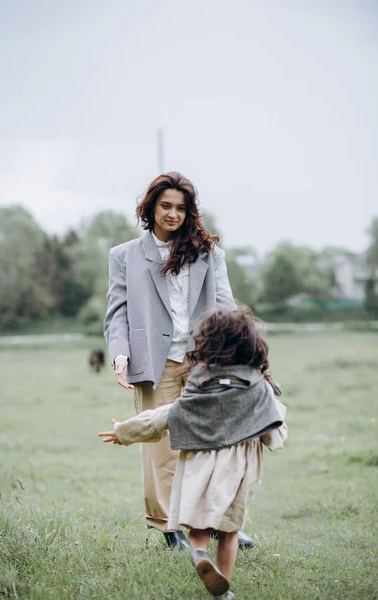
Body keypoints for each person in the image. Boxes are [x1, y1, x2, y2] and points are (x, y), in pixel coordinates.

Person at [103, 171, 253, 551]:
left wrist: (238, 355)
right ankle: (171, 529)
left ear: (189, 213)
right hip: (155, 363)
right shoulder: (124, 256)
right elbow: (117, 313)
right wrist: (120, 354)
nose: (173, 214)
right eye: (166, 206)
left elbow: (224, 304)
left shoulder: (209, 253)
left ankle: (220, 522)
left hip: (206, 361)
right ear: (150, 208)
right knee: (160, 445)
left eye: (181, 208)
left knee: (215, 442)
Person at [99, 307, 288, 599]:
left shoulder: (199, 381)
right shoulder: (256, 384)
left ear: (205, 344)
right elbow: (273, 426)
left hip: (200, 462)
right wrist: (276, 438)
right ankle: (223, 589)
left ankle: (199, 553)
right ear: (250, 344)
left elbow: (164, 415)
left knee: (198, 526)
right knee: (229, 532)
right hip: (239, 468)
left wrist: (124, 431)